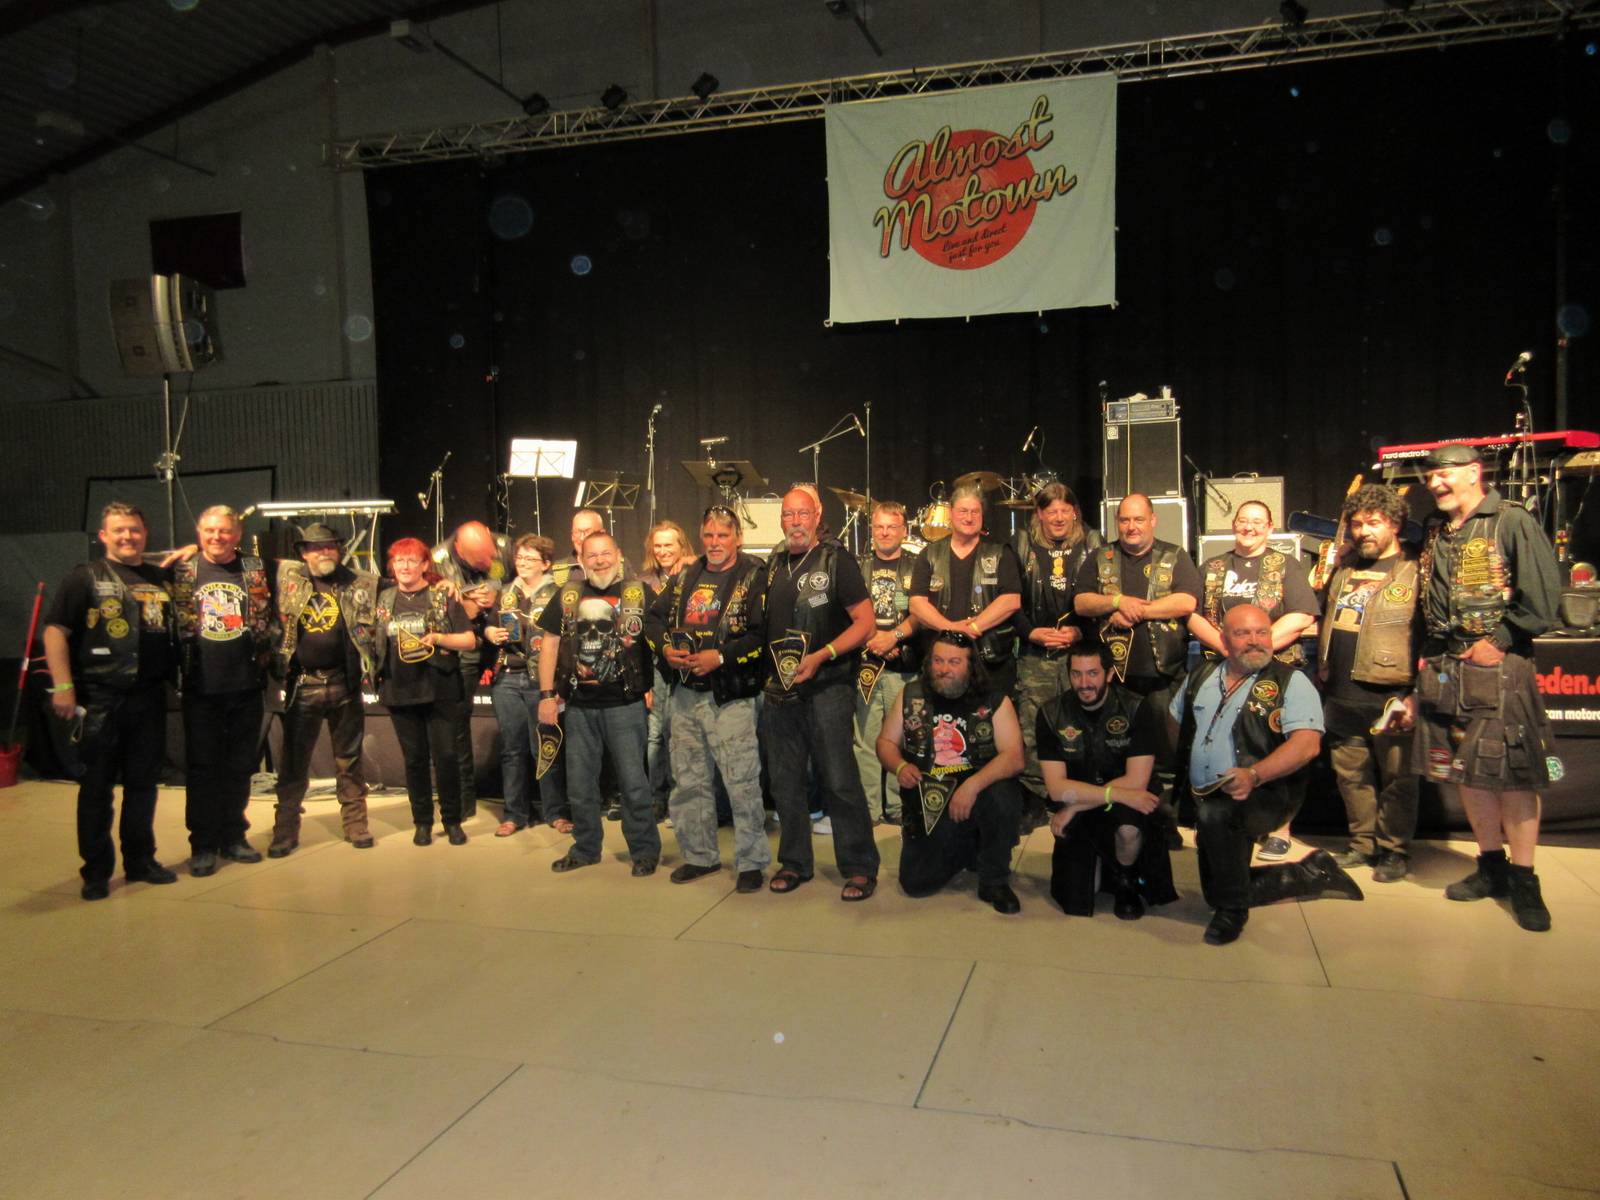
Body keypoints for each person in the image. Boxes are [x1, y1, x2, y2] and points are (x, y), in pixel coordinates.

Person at [1411, 443, 1562, 931]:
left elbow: (1543, 597)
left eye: (1444, 474)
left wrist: (1499, 640)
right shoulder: (1436, 529)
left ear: (1475, 472)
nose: (1434, 484)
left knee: (1513, 773)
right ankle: (1491, 865)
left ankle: (1525, 879)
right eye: (1430, 477)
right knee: (1469, 770)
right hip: (1447, 665)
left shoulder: (1511, 520)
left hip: (1498, 665)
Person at [1169, 605, 1363, 945]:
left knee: (1217, 820)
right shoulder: (1201, 675)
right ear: (1224, 641)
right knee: (1214, 886)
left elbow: (1306, 745)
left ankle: (1233, 911)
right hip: (1206, 792)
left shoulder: (1292, 682)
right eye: (1243, 633)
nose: (1255, 641)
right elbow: (1176, 722)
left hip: (1266, 792)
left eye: (1262, 632)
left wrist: (1254, 775)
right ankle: (1313, 871)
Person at [42, 502, 180, 899]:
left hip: (148, 697)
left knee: (143, 785)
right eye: (119, 530)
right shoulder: (83, 577)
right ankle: (96, 872)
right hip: (99, 698)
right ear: (104, 535)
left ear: (145, 533)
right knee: (96, 789)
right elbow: (55, 631)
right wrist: (63, 687)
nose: (127, 536)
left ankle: (140, 861)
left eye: (134, 529)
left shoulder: (159, 578)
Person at [760, 487, 880, 900]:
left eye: (802, 513)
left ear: (817, 515)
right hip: (781, 690)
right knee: (786, 782)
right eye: (788, 514)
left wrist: (822, 655)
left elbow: (865, 623)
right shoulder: (775, 562)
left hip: (828, 685)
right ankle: (794, 862)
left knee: (839, 778)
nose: (795, 521)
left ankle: (860, 867)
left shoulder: (836, 560)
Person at [646, 505, 771, 891]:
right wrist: (665, 648)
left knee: (742, 781)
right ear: (701, 537)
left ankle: (751, 862)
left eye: (723, 535)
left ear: (738, 538)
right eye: (709, 535)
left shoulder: (755, 574)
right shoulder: (686, 574)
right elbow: (652, 618)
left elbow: (762, 634)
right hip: (685, 695)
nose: (715, 543)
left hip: (730, 696)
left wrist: (720, 657)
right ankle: (699, 856)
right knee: (688, 781)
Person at [1188, 500, 1320, 862]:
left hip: (1271, 674)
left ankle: (1279, 829)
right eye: (1243, 520)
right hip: (1223, 671)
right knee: (1220, 743)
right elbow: (1191, 614)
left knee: (1272, 747)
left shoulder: (1285, 565)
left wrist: (1254, 646)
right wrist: (1226, 646)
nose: (1249, 527)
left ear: (1270, 527)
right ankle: (1217, 818)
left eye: (1258, 522)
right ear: (1233, 525)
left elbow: (1303, 615)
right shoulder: (1213, 566)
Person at [536, 530, 662, 875]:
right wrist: (546, 695)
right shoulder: (568, 594)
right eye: (592, 555)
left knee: (634, 784)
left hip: (626, 704)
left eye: (606, 553)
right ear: (581, 559)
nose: (600, 561)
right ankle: (585, 848)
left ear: (618, 555)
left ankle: (644, 852)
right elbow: (549, 644)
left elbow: (661, 639)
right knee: (579, 785)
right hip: (579, 706)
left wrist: (657, 686)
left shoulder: (638, 592)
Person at [1073, 493, 1201, 829]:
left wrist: (1136, 610)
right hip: (1114, 679)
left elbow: (1186, 601)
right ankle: (1116, 818)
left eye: (1139, 519)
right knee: (1115, 752)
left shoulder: (1175, 555)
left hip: (1162, 675)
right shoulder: (1101, 556)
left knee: (1165, 754)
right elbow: (1082, 602)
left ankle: (1162, 822)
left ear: (1153, 520)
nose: (1131, 526)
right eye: (1125, 520)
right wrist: (1116, 601)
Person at [876, 631, 1026, 913]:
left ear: (971, 666)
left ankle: (994, 879)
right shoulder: (911, 694)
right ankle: (967, 847)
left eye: (954, 662)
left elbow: (1015, 757)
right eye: (938, 660)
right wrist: (900, 766)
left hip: (978, 794)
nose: (944, 669)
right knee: (916, 884)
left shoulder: (994, 699)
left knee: (1004, 795)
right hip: (930, 796)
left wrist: (972, 786)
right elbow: (885, 743)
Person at [1317, 485, 1422, 882]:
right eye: (1358, 524)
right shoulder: (1344, 567)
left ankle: (1394, 850)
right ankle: (1363, 844)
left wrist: (1416, 692)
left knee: (1398, 779)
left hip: (1390, 691)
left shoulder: (1415, 569)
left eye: (1374, 523)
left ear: (1394, 524)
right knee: (1351, 776)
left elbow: (1427, 634)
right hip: (1341, 692)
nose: (1364, 531)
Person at [1037, 641, 1177, 919]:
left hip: (1121, 802)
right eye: (1076, 674)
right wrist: (1109, 795)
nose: (1084, 683)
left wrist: (1077, 806)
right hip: (1103, 796)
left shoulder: (1137, 708)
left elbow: (1137, 781)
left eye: (1092, 673)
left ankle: (1127, 879)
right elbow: (1056, 788)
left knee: (1128, 830)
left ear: (1109, 674)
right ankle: (1100, 861)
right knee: (1078, 898)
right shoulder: (1051, 713)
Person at [170, 505, 273, 877]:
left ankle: (233, 836)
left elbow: (306, 570)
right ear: (199, 533)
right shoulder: (182, 570)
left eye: (224, 530)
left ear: (237, 535)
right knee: (203, 769)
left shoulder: (256, 568)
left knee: (240, 767)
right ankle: (202, 844)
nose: (217, 537)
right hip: (201, 687)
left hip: (246, 686)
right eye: (210, 530)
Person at [266, 523, 381, 857]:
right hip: (304, 684)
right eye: (316, 547)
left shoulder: (361, 581)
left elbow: (404, 583)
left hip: (345, 683)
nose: (324, 552)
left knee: (349, 761)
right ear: (303, 552)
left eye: (330, 546)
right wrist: (194, 551)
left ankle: (356, 825)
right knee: (293, 764)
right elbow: (240, 561)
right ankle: (285, 832)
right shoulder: (286, 576)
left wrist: (440, 581)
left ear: (339, 549)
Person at [374, 538, 477, 846]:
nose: (405, 567)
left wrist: (438, 638)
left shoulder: (442, 596)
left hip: (439, 688)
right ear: (392, 566)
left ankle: (452, 821)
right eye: (399, 561)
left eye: (411, 560)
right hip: (399, 689)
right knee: (414, 760)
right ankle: (422, 823)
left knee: (446, 757)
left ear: (424, 565)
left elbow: (469, 640)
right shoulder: (383, 598)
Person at [1012, 482, 1100, 830]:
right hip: (1036, 653)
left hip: (1080, 653)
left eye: (1065, 510)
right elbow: (1009, 600)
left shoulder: (1093, 544)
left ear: (1075, 512)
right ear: (1040, 514)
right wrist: (1030, 632)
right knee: (1034, 726)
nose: (1059, 517)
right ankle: (1035, 796)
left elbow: (1104, 596)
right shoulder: (1022, 544)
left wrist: (1081, 631)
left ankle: (1081, 795)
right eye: (1052, 511)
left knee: (1080, 726)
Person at [432, 520, 514, 821]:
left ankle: (521, 798)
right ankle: (463, 798)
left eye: (490, 555)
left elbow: (529, 585)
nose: (489, 562)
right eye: (481, 561)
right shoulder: (437, 560)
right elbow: (430, 607)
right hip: (464, 644)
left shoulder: (504, 547)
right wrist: (463, 606)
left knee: (517, 718)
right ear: (460, 551)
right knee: (457, 721)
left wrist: (497, 598)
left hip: (504, 639)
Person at [483, 533, 563, 837]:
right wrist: (491, 634)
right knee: (512, 750)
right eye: (519, 558)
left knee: (545, 746)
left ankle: (555, 811)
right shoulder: (506, 592)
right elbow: (488, 624)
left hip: (541, 680)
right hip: (507, 677)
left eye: (530, 558)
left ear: (546, 563)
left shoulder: (557, 593)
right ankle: (515, 814)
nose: (523, 563)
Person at [909, 483, 1023, 695]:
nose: (969, 518)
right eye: (963, 511)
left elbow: (1011, 600)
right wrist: (950, 629)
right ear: (951, 513)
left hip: (990, 660)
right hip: (942, 660)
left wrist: (974, 627)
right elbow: (916, 603)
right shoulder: (929, 554)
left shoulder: (1000, 552)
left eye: (975, 512)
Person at [853, 500, 921, 825]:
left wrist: (893, 637)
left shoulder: (918, 565)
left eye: (891, 527)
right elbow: (847, 612)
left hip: (903, 665)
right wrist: (874, 640)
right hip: (867, 664)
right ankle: (869, 809)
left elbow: (923, 613)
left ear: (903, 530)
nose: (884, 532)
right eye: (879, 527)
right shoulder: (858, 566)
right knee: (865, 741)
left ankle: (897, 808)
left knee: (902, 739)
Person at [641, 520, 694, 817]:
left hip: (689, 664)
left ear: (681, 546)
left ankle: (680, 798)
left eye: (668, 545)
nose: (662, 551)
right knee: (656, 735)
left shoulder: (696, 573)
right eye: (658, 545)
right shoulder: (642, 582)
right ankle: (656, 798)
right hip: (657, 666)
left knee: (682, 734)